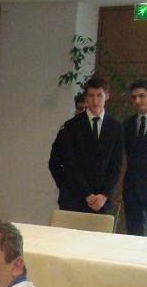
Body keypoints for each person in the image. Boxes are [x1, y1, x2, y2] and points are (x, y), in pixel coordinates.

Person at [52, 76, 124, 214]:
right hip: (75, 197)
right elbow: (69, 163)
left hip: (102, 201)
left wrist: (104, 195)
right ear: (86, 97)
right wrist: (85, 194)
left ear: (107, 96)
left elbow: (116, 165)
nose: (95, 101)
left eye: (99, 95)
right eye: (91, 96)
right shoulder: (71, 126)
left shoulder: (116, 127)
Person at [49, 92, 88, 189]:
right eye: (80, 108)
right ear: (76, 109)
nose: (83, 111)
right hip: (71, 187)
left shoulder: (99, 130)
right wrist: (64, 185)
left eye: (87, 109)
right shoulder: (66, 130)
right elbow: (54, 162)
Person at [123, 79, 147, 235]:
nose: (137, 101)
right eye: (134, 97)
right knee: (133, 235)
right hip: (132, 189)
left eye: (142, 96)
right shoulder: (127, 124)